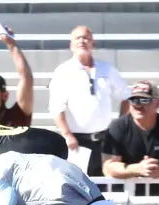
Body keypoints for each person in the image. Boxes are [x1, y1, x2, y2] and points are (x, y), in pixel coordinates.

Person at [48, 25, 129, 177]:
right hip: (77, 143)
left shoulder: (107, 69)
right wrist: (67, 134)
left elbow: (126, 96)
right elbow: (56, 107)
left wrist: (120, 126)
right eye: (78, 38)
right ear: (71, 45)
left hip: (106, 140)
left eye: (86, 38)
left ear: (93, 43)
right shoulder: (64, 71)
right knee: (80, 184)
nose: (82, 41)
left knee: (106, 184)